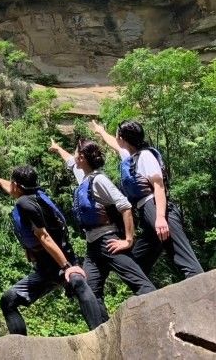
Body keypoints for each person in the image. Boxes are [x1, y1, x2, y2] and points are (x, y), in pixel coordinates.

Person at [49, 138, 155, 322]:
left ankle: (161, 318)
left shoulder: (99, 180)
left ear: (82, 157)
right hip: (93, 247)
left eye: (76, 153)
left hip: (108, 241)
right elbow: (70, 162)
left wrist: (128, 240)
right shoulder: (85, 178)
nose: (74, 157)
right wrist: (58, 149)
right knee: (90, 291)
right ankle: (102, 331)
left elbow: (125, 205)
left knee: (139, 282)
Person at [0, 165, 104, 334]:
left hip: (55, 265)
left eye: (12, 183)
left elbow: (44, 237)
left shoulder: (24, 203)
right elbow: (15, 189)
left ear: (17, 186)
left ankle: (99, 334)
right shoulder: (37, 195)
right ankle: (20, 345)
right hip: (56, 263)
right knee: (9, 300)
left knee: (77, 281)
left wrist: (66, 267)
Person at [91, 119, 203, 279]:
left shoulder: (145, 156)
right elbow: (114, 144)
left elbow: (159, 186)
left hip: (156, 209)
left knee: (185, 260)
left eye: (117, 134)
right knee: (136, 266)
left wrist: (160, 218)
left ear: (123, 138)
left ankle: (204, 293)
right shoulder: (131, 156)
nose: (115, 137)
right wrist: (100, 131)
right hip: (147, 213)